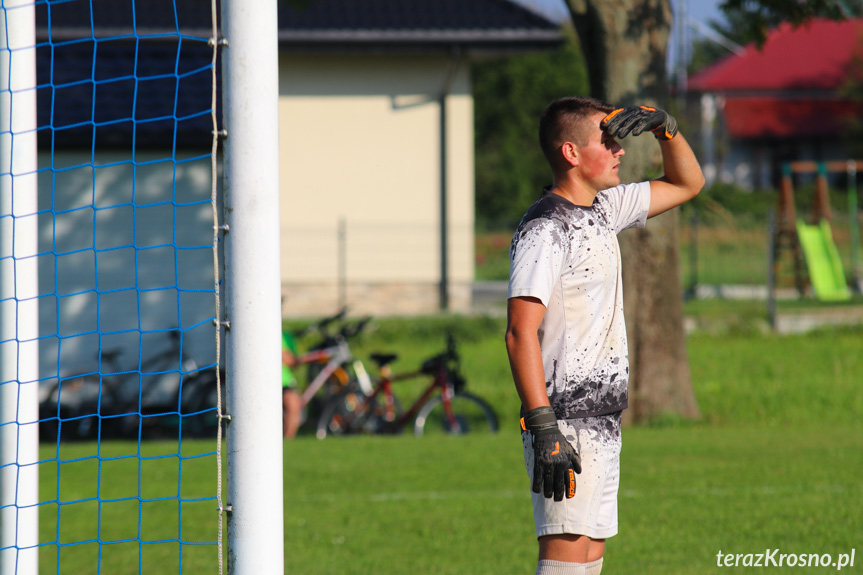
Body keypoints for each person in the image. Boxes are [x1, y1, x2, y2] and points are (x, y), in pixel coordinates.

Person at [505, 97, 704, 575]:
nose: (619, 150)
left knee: (589, 563)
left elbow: (687, 182)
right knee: (565, 564)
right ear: (571, 153)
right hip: (565, 423)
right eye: (607, 140)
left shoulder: (605, 208)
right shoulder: (546, 229)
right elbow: (518, 332)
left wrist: (666, 130)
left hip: (602, 420)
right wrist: (543, 424)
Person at [282, 329, 303, 439]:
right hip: (266, 382)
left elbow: (293, 361)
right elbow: (288, 358)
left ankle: (288, 440)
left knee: (293, 404)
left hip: (285, 381)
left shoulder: (287, 336)